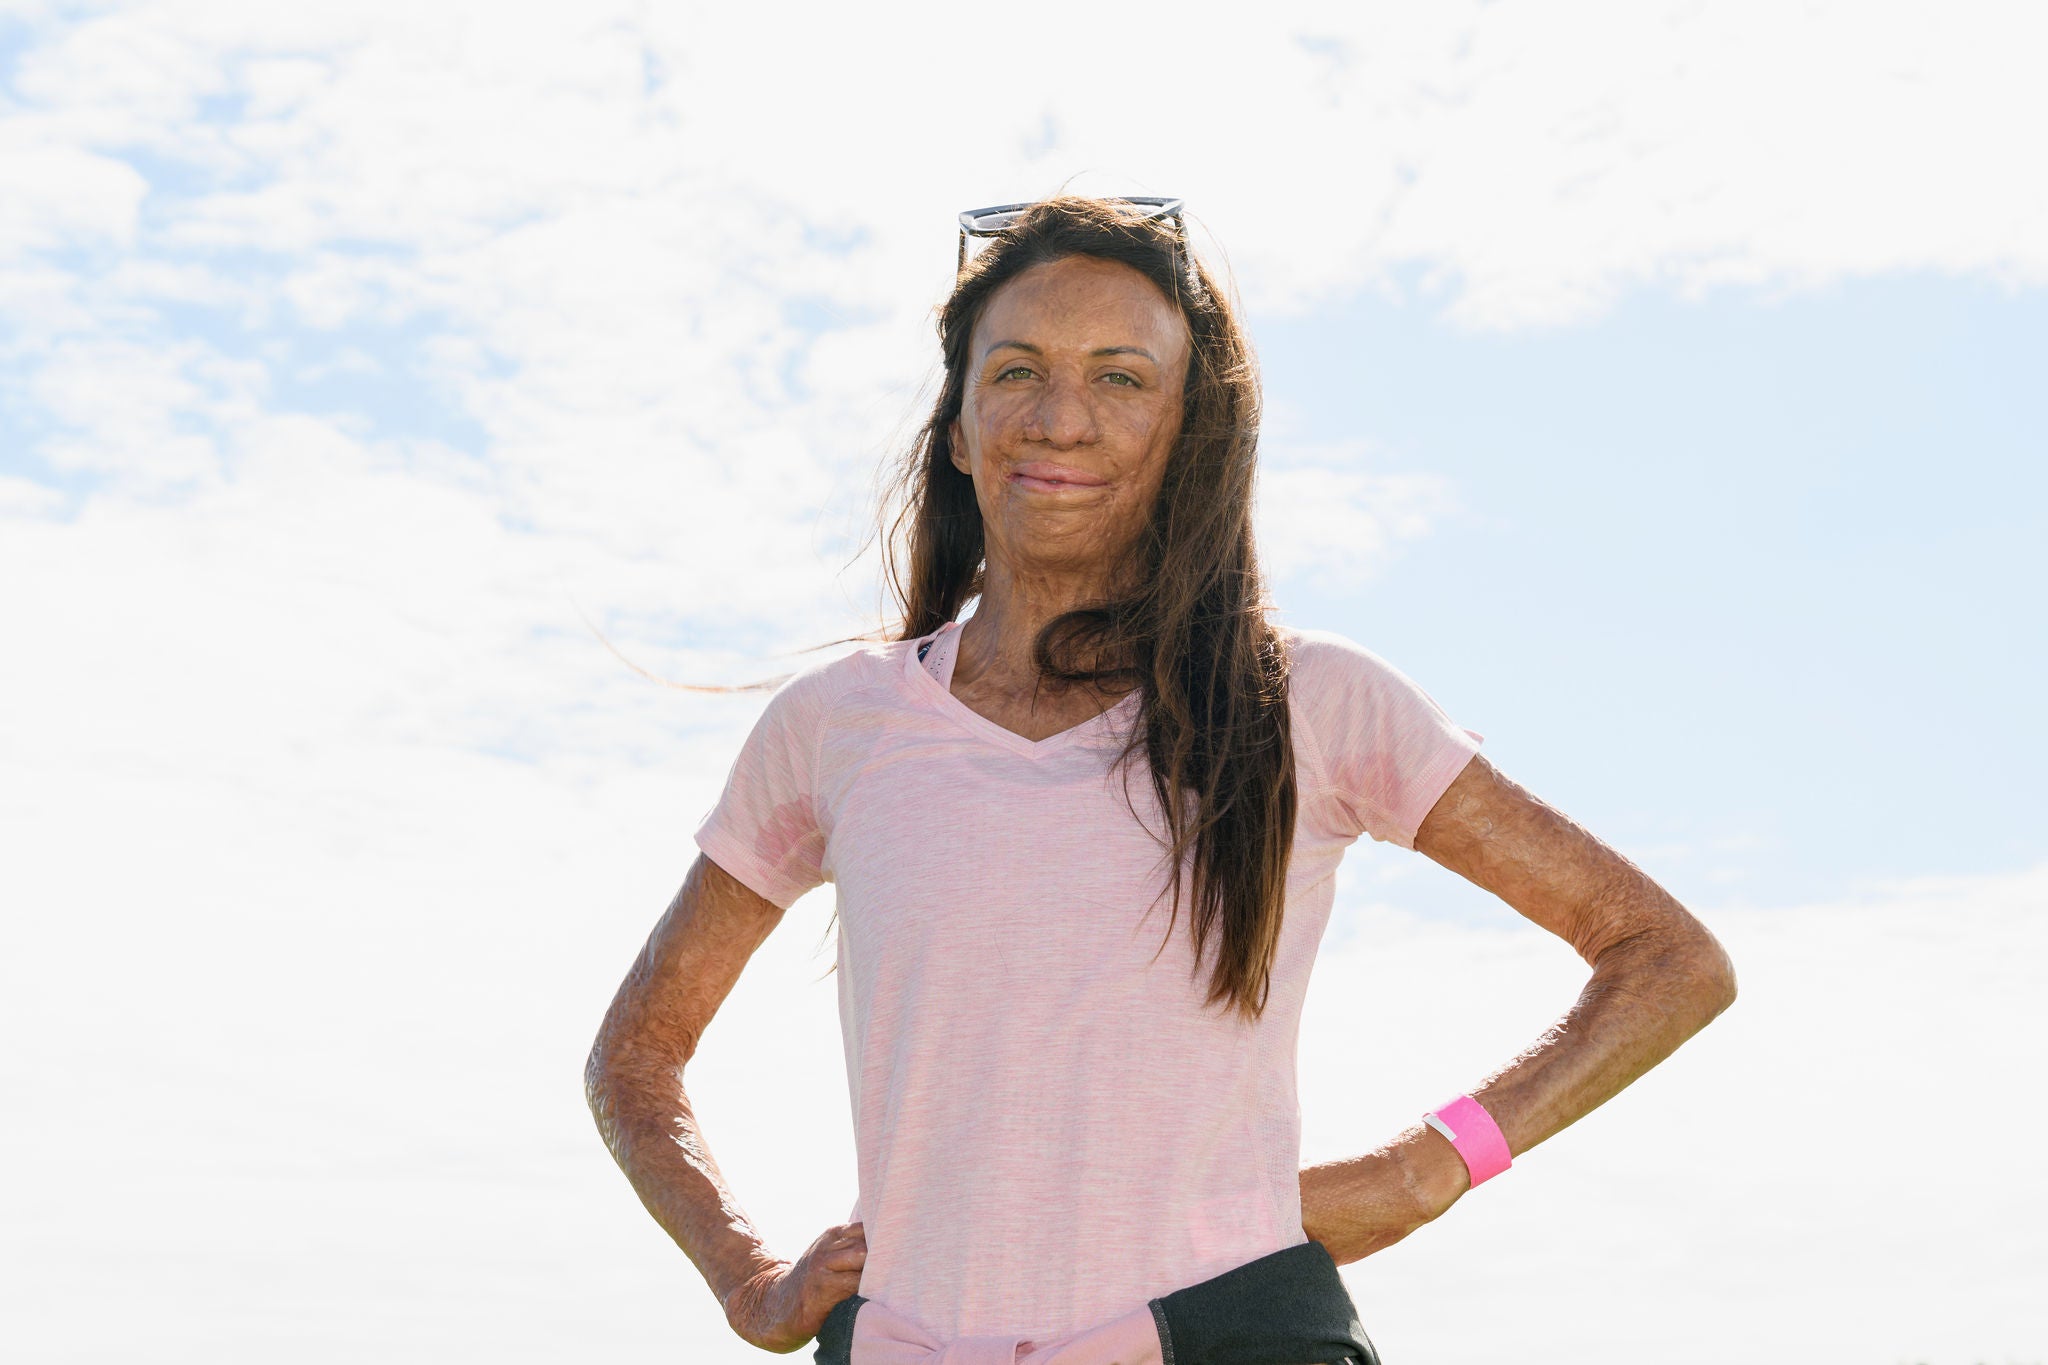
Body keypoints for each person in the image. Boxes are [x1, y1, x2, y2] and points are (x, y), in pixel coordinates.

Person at [584, 195, 1739, 1364]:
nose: (1061, 417)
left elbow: (1666, 959)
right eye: (1017, 370)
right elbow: (635, 1053)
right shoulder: (836, 727)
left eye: (1121, 378)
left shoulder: (1312, 702)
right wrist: (746, 1278)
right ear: (956, 423)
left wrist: (1425, 1167)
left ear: (1189, 429)